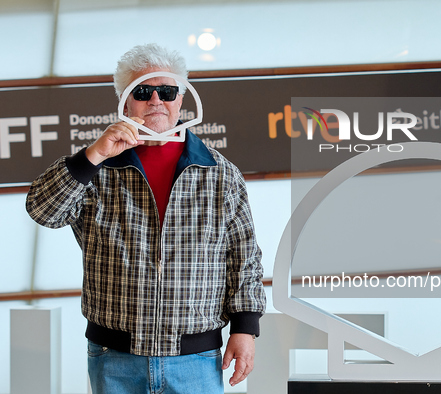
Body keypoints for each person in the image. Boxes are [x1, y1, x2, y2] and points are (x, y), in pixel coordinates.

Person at [26, 43, 266, 393]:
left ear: (181, 99)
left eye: (167, 91)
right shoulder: (97, 169)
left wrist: (245, 328)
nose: (156, 100)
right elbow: (42, 210)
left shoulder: (220, 173)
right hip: (115, 357)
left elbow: (244, 257)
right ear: (125, 102)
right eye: (142, 91)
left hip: (196, 359)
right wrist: (93, 155)